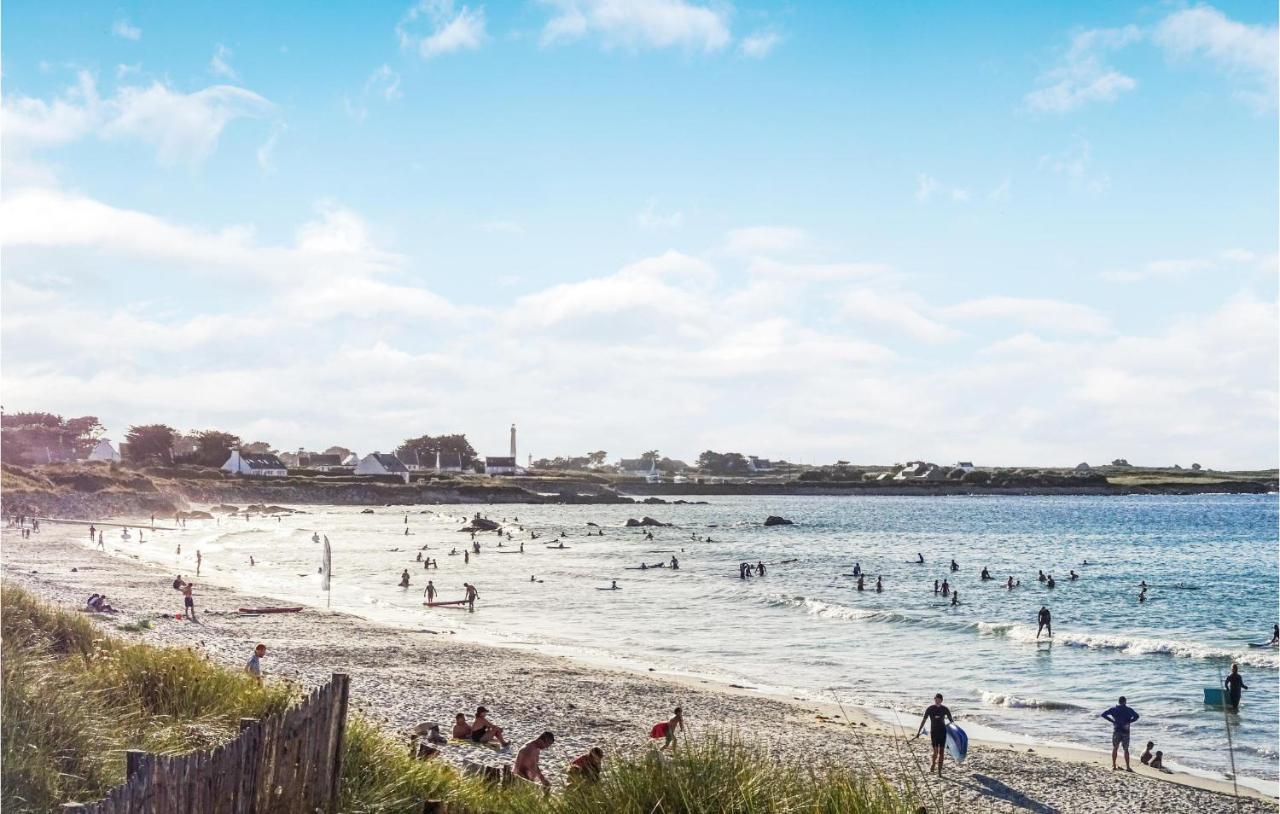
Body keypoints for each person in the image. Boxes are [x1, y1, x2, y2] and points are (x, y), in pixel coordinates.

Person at [916, 693, 953, 776]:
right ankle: (933, 763)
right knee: (936, 752)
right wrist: (918, 732)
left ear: (941, 700)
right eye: (936, 699)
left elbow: (951, 721)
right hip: (934, 732)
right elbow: (924, 720)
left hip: (943, 732)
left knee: (942, 752)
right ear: (934, 699)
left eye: (939, 700)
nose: (937, 701)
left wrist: (955, 733)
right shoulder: (930, 709)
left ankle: (939, 771)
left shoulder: (945, 709)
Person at [1101, 696, 1139, 771]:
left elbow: (1103, 714)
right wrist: (1129, 721)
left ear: (1119, 702)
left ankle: (1114, 766)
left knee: (1115, 747)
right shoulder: (1129, 710)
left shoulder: (1114, 709)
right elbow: (1137, 716)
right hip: (1126, 731)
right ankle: (1128, 767)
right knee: (1126, 749)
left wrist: (1112, 721)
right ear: (1125, 701)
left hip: (1117, 730)